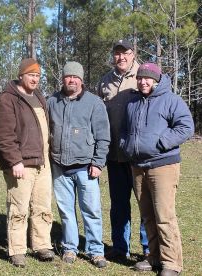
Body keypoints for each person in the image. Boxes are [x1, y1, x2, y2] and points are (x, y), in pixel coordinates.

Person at [120, 63, 194, 276]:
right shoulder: (132, 102)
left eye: (148, 78)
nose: (143, 82)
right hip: (138, 166)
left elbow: (186, 126)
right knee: (147, 216)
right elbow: (125, 129)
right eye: (140, 78)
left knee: (164, 215)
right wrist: (127, 145)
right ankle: (153, 256)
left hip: (163, 165)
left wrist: (161, 143)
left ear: (156, 80)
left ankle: (171, 264)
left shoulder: (170, 100)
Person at [0, 58, 55, 268]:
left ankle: (42, 245)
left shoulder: (39, 97)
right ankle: (17, 250)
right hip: (21, 164)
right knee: (18, 209)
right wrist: (14, 161)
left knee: (42, 206)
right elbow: (3, 136)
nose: (35, 79)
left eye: (37, 75)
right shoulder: (7, 99)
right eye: (31, 75)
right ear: (21, 76)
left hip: (42, 162)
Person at [48, 61, 110, 268]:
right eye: (68, 77)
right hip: (59, 167)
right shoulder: (52, 101)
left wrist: (98, 162)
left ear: (81, 80)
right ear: (63, 79)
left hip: (86, 168)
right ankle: (70, 248)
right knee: (66, 212)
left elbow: (103, 137)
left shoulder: (94, 103)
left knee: (91, 211)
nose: (71, 80)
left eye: (75, 77)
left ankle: (95, 250)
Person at [96, 39, 149, 260]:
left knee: (145, 203)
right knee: (118, 205)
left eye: (125, 53)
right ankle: (120, 247)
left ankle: (148, 248)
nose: (121, 57)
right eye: (117, 53)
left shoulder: (144, 76)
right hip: (114, 155)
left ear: (133, 53)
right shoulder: (105, 82)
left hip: (138, 155)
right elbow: (98, 116)